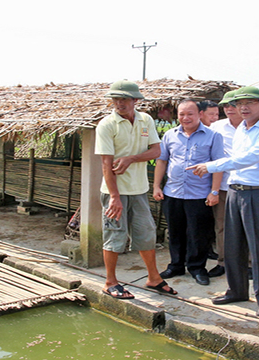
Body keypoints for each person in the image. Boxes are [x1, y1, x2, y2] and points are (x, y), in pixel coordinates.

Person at [187, 86, 259, 318]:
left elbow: (251, 157)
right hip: (235, 191)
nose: (243, 107)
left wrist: (212, 166)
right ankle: (237, 291)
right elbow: (235, 158)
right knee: (232, 245)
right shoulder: (242, 127)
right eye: (240, 103)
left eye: (250, 102)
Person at [95, 79, 177, 299]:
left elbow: (156, 151)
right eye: (116, 99)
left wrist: (131, 158)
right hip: (115, 192)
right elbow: (106, 164)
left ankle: (154, 278)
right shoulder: (107, 124)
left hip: (139, 190)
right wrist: (114, 197)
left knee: (146, 234)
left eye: (124, 99)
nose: (119, 103)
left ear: (135, 101)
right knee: (114, 235)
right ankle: (110, 282)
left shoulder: (145, 120)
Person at [153, 100, 224, 285]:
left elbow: (218, 166)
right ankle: (176, 265)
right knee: (175, 232)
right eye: (182, 114)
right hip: (173, 192)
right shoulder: (170, 135)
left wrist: (214, 192)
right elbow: (162, 161)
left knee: (198, 234)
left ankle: (197, 268)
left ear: (199, 114)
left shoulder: (213, 136)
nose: (185, 118)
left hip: (199, 194)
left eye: (190, 114)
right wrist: (156, 186)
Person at [208, 90, 244, 278]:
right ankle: (222, 262)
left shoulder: (253, 126)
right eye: (226, 106)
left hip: (246, 185)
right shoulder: (217, 127)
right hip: (222, 185)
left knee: (247, 227)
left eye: (233, 105)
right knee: (221, 226)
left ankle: (250, 264)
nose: (229, 109)